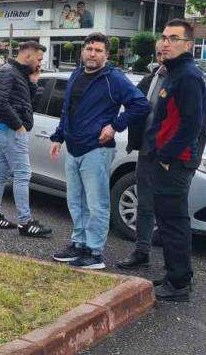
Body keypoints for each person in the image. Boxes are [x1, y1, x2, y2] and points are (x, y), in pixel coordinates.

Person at [49, 33, 149, 269]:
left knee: (96, 204)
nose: (92, 53)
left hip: (97, 149)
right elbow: (68, 109)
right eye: (89, 49)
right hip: (73, 148)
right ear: (83, 51)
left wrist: (115, 126)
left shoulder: (113, 78)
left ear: (106, 54)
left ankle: (94, 253)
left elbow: (140, 104)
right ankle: (79, 244)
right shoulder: (76, 74)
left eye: (98, 50)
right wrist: (58, 136)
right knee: (76, 202)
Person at [119, 51, 206, 271]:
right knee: (144, 204)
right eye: (158, 52)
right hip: (148, 151)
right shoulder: (151, 79)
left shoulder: (197, 79)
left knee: (173, 213)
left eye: (167, 50)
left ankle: (174, 269)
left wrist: (190, 131)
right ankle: (141, 252)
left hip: (177, 156)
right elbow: (136, 107)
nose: (162, 55)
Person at [138, 20, 206, 301]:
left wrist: (165, 156)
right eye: (163, 37)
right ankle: (173, 275)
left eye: (173, 38)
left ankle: (179, 284)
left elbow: (192, 125)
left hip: (174, 163)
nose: (165, 42)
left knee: (174, 223)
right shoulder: (174, 73)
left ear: (188, 45)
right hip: (164, 160)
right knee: (166, 223)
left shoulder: (188, 76)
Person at [0, 41, 54, 238]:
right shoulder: (6, 72)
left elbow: (28, 103)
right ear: (28, 56)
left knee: (0, 174)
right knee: (23, 174)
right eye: (39, 59)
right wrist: (19, 126)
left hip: (10, 129)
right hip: (11, 130)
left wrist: (33, 82)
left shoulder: (20, 74)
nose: (40, 63)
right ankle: (25, 223)